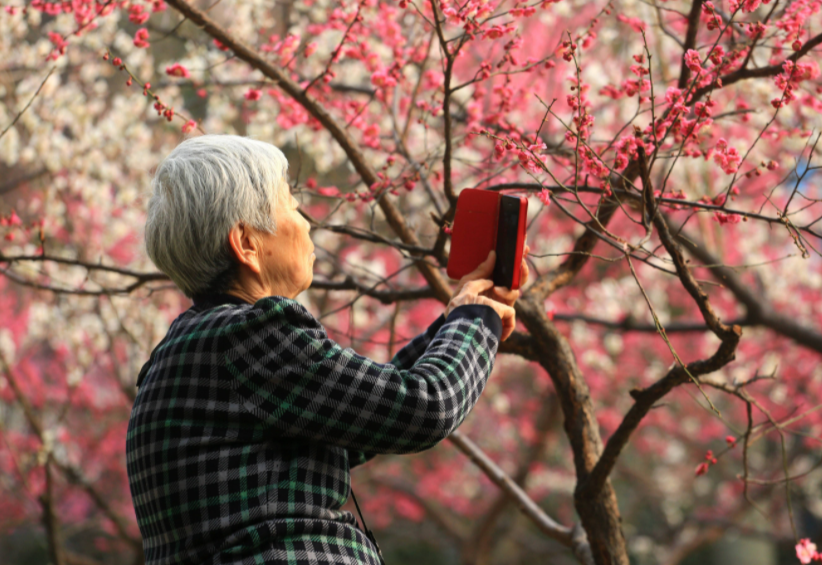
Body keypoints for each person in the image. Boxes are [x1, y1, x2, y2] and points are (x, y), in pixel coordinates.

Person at [126, 135, 527, 565]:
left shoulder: (184, 353)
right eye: (292, 205)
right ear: (246, 244)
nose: (306, 222)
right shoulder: (253, 333)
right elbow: (425, 407)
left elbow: (365, 413)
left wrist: (457, 319)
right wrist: (475, 321)